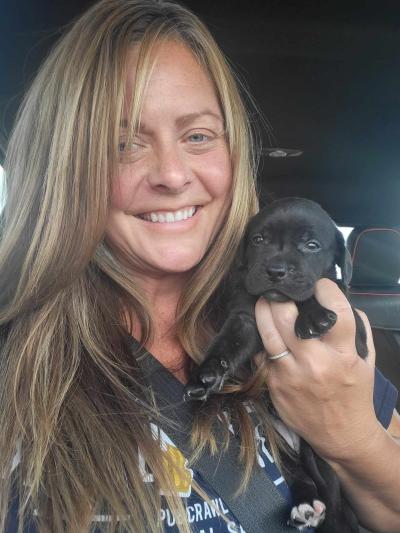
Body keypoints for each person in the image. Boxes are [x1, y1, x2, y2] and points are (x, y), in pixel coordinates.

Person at [0, 1, 399, 532]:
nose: (170, 174)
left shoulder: (320, 338)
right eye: (123, 144)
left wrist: (352, 438)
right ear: (68, 167)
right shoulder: (17, 361)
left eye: (198, 136)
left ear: (233, 154)